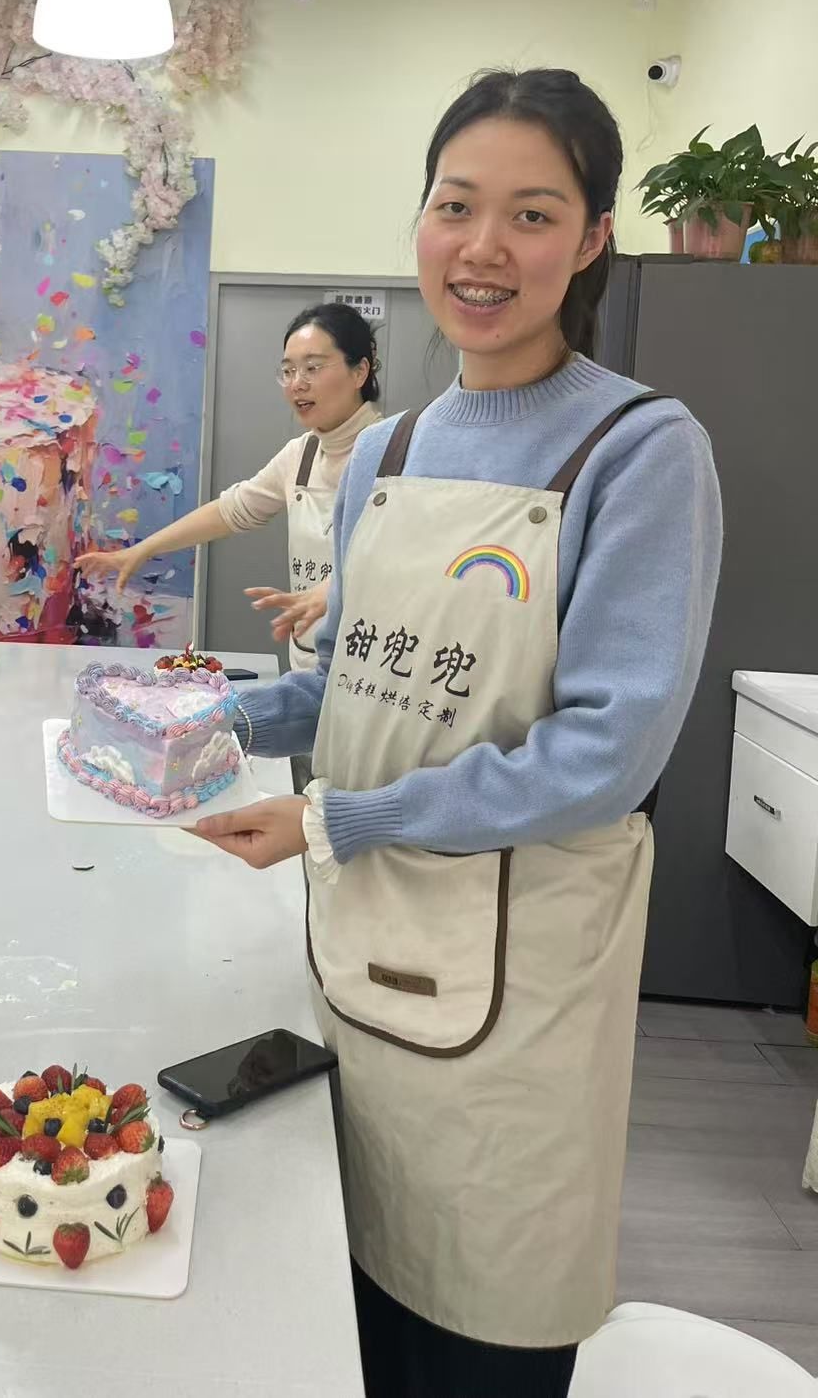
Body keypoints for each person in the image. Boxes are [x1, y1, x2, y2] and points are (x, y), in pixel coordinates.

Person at [190, 69, 723, 1398]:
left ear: (590, 240)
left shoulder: (640, 449)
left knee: (479, 1330)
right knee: (344, 1309)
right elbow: (351, 683)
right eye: (454, 205)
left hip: (518, 980)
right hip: (357, 940)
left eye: (531, 214)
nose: (483, 247)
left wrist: (342, 815)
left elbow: (607, 754)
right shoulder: (390, 452)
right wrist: (213, 718)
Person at [76, 301, 381, 670]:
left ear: (360, 371)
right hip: (308, 664)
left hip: (371, 668)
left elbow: (401, 558)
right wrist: (141, 551)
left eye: (313, 368)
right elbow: (230, 511)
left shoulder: (397, 455)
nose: (297, 383)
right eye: (288, 370)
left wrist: (333, 590)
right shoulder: (302, 455)